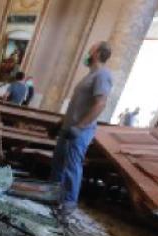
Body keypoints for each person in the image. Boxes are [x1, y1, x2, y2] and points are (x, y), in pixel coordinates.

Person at [50, 41, 113, 220]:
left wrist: (80, 127)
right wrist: (61, 122)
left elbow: (100, 104)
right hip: (68, 127)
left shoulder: (102, 75)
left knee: (71, 167)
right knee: (58, 165)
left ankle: (68, 204)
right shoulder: (90, 75)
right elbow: (77, 104)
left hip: (79, 130)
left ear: (98, 53)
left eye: (91, 49)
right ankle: (52, 196)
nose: (88, 52)